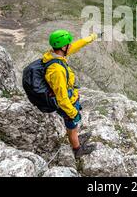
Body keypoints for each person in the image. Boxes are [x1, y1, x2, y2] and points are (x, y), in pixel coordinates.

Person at [42, 29, 98, 158]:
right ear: (63, 47)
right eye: (68, 44)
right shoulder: (57, 70)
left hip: (71, 99)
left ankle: (76, 139)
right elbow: (62, 98)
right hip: (67, 105)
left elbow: (75, 46)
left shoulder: (54, 55)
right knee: (71, 127)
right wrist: (73, 113)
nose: (70, 46)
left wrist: (91, 38)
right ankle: (77, 149)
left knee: (73, 126)